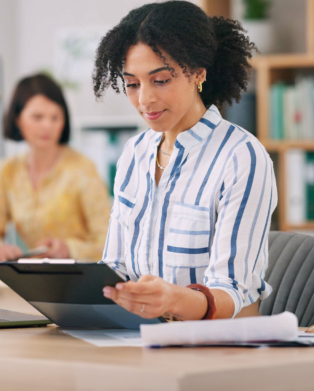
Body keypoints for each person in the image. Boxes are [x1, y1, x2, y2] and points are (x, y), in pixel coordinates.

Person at [95, 1, 277, 320]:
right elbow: (115, 268)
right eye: (132, 84)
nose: (144, 99)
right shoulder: (134, 153)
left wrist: (173, 300)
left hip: (218, 347)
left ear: (197, 74)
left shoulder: (241, 157)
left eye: (160, 80)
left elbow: (233, 291)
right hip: (139, 337)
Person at [0, 74, 111, 262]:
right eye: (37, 117)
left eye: (55, 117)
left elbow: (110, 242)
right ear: (17, 119)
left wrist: (69, 249)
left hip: (80, 280)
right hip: (32, 282)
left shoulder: (83, 169)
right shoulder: (9, 170)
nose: (47, 125)